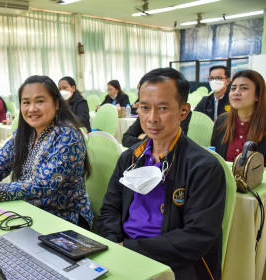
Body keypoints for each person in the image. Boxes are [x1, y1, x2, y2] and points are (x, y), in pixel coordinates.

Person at [96, 67, 225, 280]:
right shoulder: (129, 158)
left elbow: (196, 237)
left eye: (163, 108)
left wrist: (130, 249)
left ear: (183, 112)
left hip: (173, 264)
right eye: (145, 108)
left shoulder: (203, 167)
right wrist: (112, 245)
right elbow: (110, 208)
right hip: (123, 249)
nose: (152, 118)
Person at [0, 75, 93, 229]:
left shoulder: (67, 136)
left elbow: (42, 186)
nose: (32, 109)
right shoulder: (24, 134)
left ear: (56, 104)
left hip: (64, 219)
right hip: (27, 211)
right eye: (26, 102)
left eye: (40, 101)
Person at [211, 69, 266, 164]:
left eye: (244, 88)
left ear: (257, 95)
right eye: (233, 88)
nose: (236, 92)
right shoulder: (222, 121)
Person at [122, 111, 192, 148]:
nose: (152, 119)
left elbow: (175, 142)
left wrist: (145, 138)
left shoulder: (181, 113)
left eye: (163, 108)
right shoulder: (145, 112)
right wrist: (148, 141)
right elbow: (126, 139)